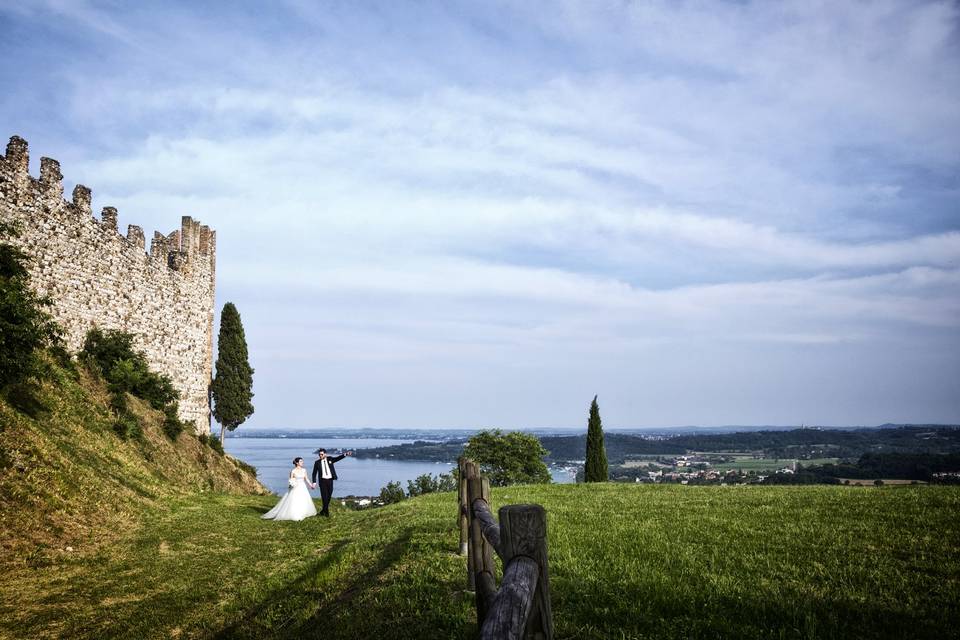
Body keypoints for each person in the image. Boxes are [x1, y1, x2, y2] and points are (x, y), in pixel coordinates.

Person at [311, 448, 353, 517]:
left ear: (325, 454)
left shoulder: (330, 459)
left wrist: (346, 454)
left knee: (329, 496)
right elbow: (314, 473)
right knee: (324, 497)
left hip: (330, 480)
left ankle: (323, 511)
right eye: (319, 455)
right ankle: (326, 514)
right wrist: (314, 482)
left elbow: (338, 458)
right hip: (322, 481)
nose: (320, 456)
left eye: (321, 454)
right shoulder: (317, 462)